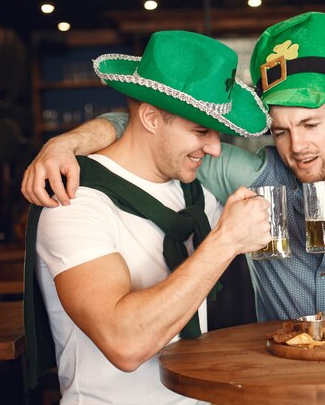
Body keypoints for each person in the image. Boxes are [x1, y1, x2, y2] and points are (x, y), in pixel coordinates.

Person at [23, 12, 325, 325]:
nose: (298, 147)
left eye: (311, 124)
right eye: (280, 131)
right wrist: (66, 143)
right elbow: (148, 128)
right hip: (278, 389)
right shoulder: (254, 174)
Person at [23, 30, 273, 404]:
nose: (215, 149)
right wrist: (225, 241)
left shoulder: (195, 194)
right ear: (152, 118)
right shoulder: (75, 202)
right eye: (201, 131)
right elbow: (125, 344)